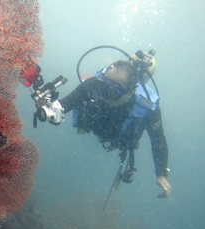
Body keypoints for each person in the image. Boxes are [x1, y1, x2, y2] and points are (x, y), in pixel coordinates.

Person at [56, 57, 171, 198]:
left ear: (129, 92)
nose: (103, 93)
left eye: (111, 91)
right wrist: (52, 108)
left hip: (117, 138)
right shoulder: (95, 83)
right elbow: (64, 103)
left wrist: (161, 174)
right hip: (95, 125)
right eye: (103, 86)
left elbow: (158, 139)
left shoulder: (147, 106)